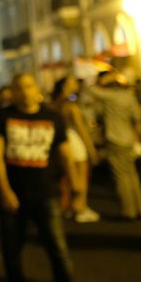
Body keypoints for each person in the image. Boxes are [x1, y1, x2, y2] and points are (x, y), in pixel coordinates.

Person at [0, 73, 91, 282]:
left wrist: (78, 188)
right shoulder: (2, 117)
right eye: (18, 87)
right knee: (12, 251)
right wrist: (4, 189)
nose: (24, 92)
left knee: (60, 255)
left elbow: (66, 155)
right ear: (12, 91)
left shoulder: (52, 118)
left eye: (29, 86)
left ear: (37, 90)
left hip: (46, 194)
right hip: (14, 195)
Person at [90, 69, 141, 219]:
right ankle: (140, 208)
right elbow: (137, 119)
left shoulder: (110, 96)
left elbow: (90, 90)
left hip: (115, 138)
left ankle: (128, 211)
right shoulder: (130, 97)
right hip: (129, 138)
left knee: (121, 176)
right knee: (132, 174)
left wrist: (104, 79)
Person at [51, 75, 100, 223]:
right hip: (75, 142)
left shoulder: (56, 105)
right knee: (81, 177)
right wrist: (91, 149)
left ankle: (69, 207)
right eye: (72, 82)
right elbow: (82, 130)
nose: (76, 85)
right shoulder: (72, 107)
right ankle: (80, 208)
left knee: (67, 178)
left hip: (62, 143)